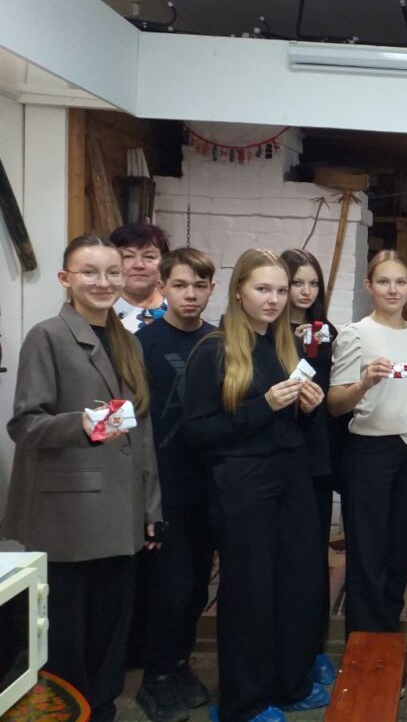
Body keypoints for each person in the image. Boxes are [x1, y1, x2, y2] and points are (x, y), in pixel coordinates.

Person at [3, 235, 161, 722]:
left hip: (121, 511)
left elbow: (142, 430)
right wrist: (82, 425)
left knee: (110, 633)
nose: (103, 282)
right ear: (65, 278)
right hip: (68, 516)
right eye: (89, 272)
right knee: (67, 637)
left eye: (112, 272)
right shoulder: (48, 336)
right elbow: (24, 424)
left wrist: (151, 507)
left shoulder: (128, 341)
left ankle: (104, 710)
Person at [183, 249, 327, 722]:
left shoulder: (283, 347)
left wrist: (308, 410)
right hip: (243, 483)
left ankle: (289, 685)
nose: (274, 299)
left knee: (297, 584)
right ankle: (243, 703)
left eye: (281, 290)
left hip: (291, 478)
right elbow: (198, 432)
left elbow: (292, 428)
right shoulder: (214, 350)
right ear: (239, 290)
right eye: (263, 289)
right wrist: (263, 405)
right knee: (250, 592)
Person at [328, 251, 407, 677]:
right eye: (384, 281)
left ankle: (387, 645)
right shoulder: (356, 334)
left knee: (396, 555)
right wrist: (364, 382)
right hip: (368, 454)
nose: (393, 290)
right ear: (369, 286)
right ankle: (363, 651)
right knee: (367, 558)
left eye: (401, 282)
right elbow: (335, 404)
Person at [134, 248, 218, 722]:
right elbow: (133, 421)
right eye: (181, 285)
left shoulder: (217, 341)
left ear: (212, 289)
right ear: (162, 286)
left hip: (208, 483)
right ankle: (157, 676)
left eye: (200, 286)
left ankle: (180, 664)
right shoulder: (142, 344)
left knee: (197, 585)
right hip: (162, 486)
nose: (191, 294)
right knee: (170, 585)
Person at [281, 248, 339, 687]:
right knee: (283, 558)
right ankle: (285, 652)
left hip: (316, 456)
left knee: (315, 558)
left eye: (312, 283)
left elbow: (333, 394)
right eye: (296, 283)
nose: (305, 291)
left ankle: (314, 646)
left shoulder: (326, 332)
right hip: (277, 457)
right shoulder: (266, 331)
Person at [111, 222, 171, 333]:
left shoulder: (177, 307)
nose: (139, 265)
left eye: (149, 257)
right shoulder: (100, 310)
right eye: (128, 256)